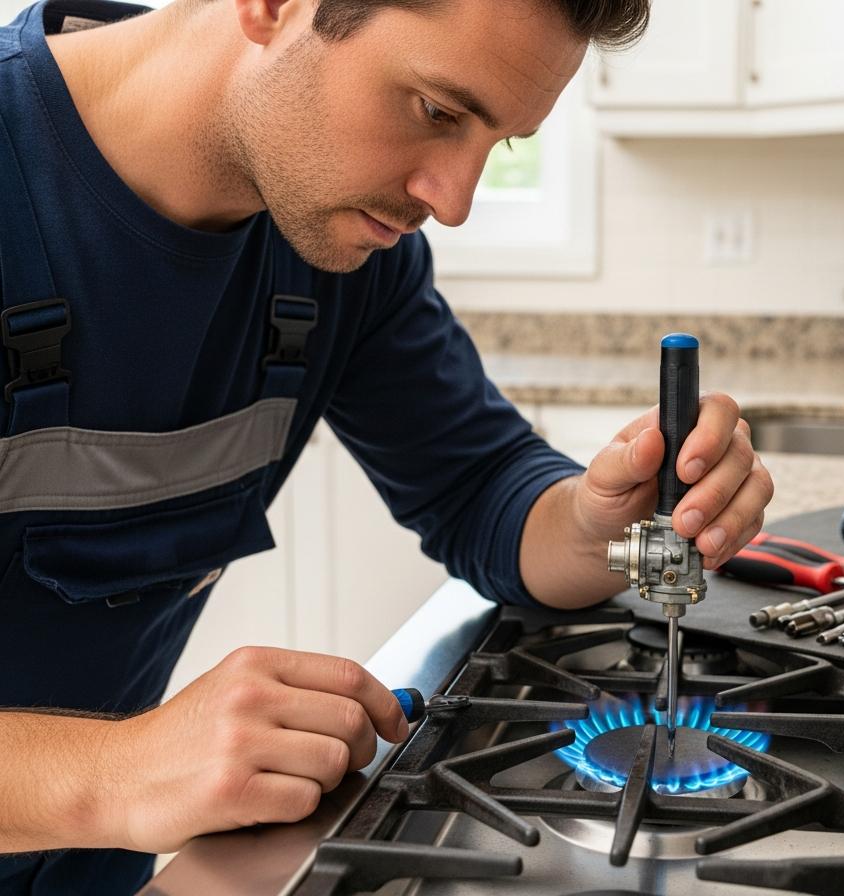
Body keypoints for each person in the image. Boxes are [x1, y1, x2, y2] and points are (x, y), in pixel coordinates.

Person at [0, 0, 775, 892]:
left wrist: (609, 515)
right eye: (438, 112)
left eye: (501, 144)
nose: (452, 202)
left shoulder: (337, 252)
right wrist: (115, 771)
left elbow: (481, 490)